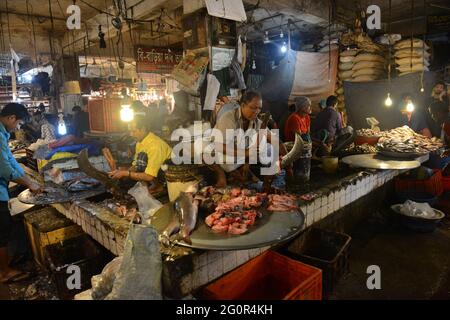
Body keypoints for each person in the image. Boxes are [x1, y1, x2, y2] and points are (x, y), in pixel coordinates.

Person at [0, 103, 43, 284]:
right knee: (2, 232)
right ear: (11, 118)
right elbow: (4, 168)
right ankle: (4, 272)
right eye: (17, 123)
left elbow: (10, 159)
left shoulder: (2, 134)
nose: (17, 127)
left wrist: (29, 180)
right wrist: (30, 184)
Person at [214, 91, 288, 190]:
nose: (257, 111)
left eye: (259, 108)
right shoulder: (229, 118)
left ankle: (248, 175)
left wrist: (287, 162)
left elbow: (275, 141)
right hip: (221, 152)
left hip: (241, 155)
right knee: (226, 163)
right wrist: (246, 153)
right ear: (243, 105)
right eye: (253, 108)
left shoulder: (256, 122)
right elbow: (219, 146)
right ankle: (222, 174)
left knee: (269, 149)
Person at [108, 113, 172, 194]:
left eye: (134, 131)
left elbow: (149, 176)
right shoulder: (140, 142)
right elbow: (136, 165)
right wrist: (119, 173)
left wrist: (126, 173)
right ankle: (154, 185)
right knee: (139, 162)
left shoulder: (155, 146)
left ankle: (160, 187)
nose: (131, 134)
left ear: (143, 129)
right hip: (154, 176)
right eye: (130, 131)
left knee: (143, 159)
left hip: (168, 177)